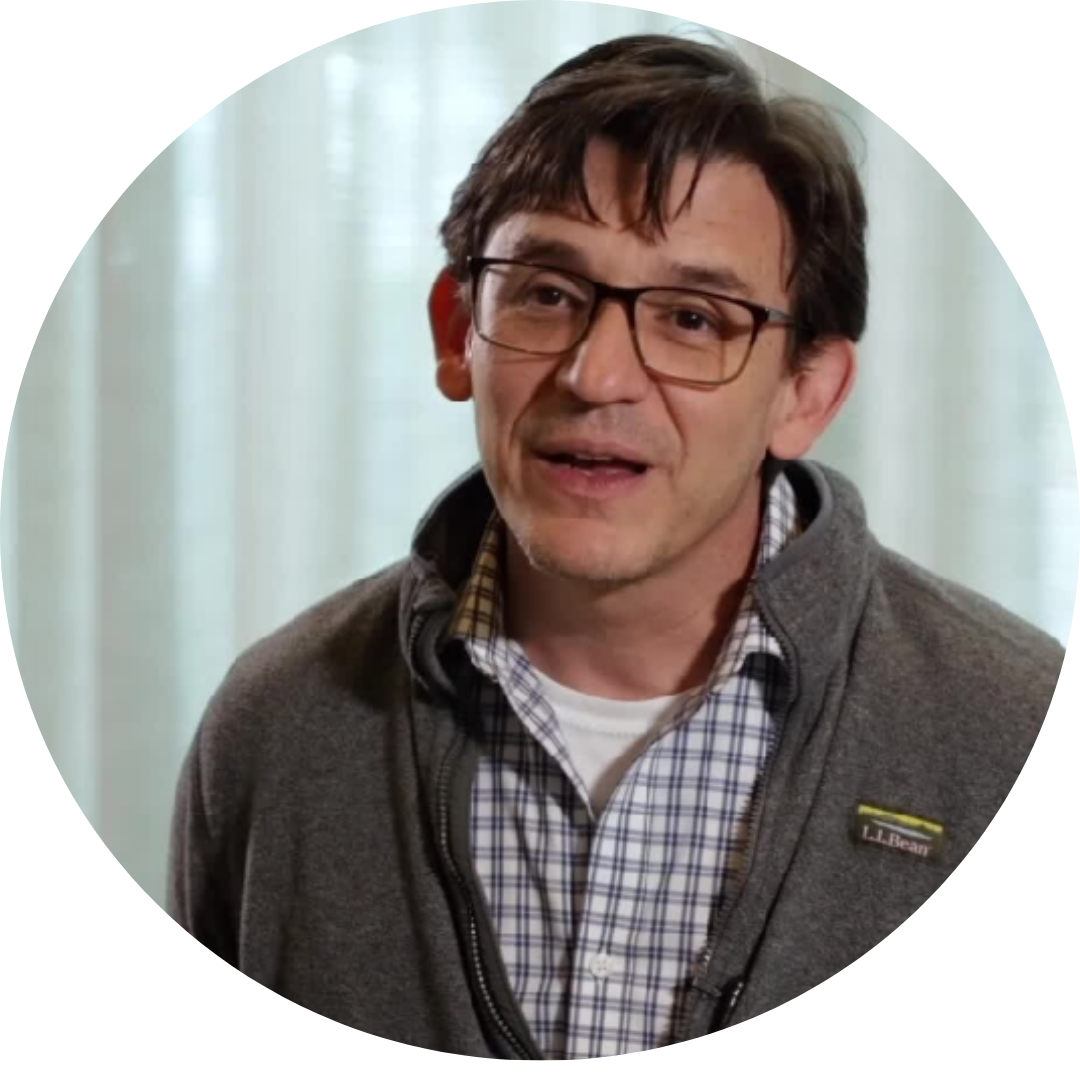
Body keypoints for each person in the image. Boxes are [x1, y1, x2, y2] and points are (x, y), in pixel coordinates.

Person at [167, 34, 1063, 1058]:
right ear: (458, 332)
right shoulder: (276, 728)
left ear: (807, 393)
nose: (597, 377)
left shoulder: (1008, 733)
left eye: (693, 319)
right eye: (548, 294)